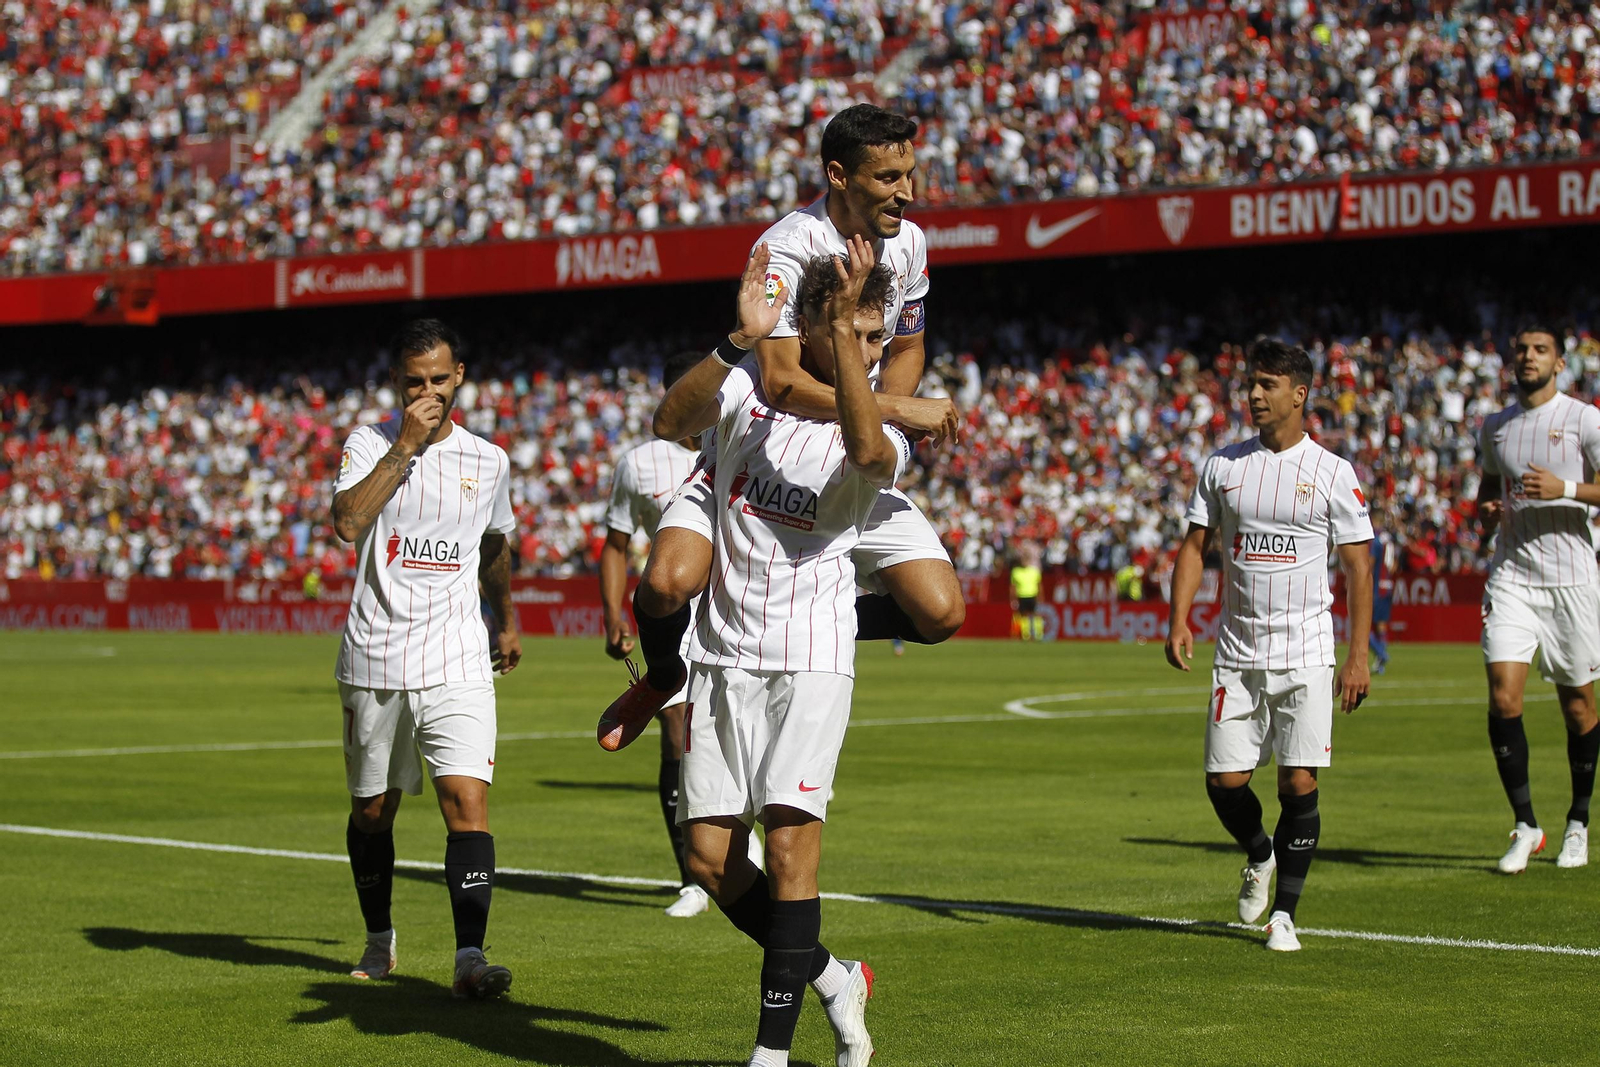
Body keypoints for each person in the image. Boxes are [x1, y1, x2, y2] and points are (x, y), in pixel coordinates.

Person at [604, 104, 964, 728]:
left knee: (940, 615)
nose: (908, 192)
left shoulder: (909, 243)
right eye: (888, 178)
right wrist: (894, 409)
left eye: (911, 173)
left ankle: (820, 621)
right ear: (839, 175)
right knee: (665, 583)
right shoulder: (786, 248)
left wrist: (880, 436)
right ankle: (666, 673)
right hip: (762, 447)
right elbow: (781, 382)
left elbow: (907, 346)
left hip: (848, 455)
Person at [646, 239, 891, 1067]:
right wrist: (737, 341)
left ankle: (771, 1055)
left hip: (812, 657)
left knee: (788, 850)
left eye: (880, 338)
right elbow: (668, 424)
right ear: (815, 328)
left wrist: (856, 359)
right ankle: (830, 975)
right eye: (860, 334)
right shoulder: (750, 387)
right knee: (709, 859)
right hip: (723, 653)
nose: (875, 351)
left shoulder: (876, 422)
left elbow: (867, 453)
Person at [329, 319, 521, 998]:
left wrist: (505, 617)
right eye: (415, 382)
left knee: (466, 804)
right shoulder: (368, 442)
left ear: (459, 376)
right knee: (373, 812)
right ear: (397, 384)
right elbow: (349, 521)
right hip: (376, 654)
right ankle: (380, 938)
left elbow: (495, 545)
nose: (428, 392)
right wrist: (404, 447)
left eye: (440, 379)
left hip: (457, 653)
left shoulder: (488, 459)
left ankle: (470, 957)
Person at [1165, 338, 1374, 953]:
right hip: (1237, 652)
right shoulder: (1223, 466)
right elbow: (1194, 546)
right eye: (1250, 384)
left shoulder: (1333, 473)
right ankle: (1261, 853)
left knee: (1297, 784)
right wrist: (1179, 617)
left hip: (1307, 650)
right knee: (1224, 782)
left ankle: (1284, 916)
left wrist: (1357, 655)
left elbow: (1360, 567)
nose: (1253, 395)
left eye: (1267, 385)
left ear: (1299, 393)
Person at [1473, 325, 1600, 873]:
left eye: (1540, 350)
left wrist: (1565, 490)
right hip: (1513, 578)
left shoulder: (1583, 419)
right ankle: (1527, 825)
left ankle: (1578, 821)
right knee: (1504, 699)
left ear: (1559, 362)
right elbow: (1486, 489)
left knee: (1578, 708)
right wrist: (1486, 513)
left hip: (1571, 580)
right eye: (1522, 349)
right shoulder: (1495, 427)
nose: (1528, 357)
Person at [598, 352, 715, 917]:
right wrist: (614, 614)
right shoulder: (639, 464)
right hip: (675, 619)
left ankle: (729, 840)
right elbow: (617, 546)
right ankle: (693, 875)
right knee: (675, 732)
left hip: (745, 613)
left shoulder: (747, 440)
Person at [1011, 543, 1043, 640]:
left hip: (1032, 595)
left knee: (1035, 615)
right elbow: (1012, 587)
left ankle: (1038, 634)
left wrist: (1040, 596)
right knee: (1023, 616)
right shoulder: (1016, 571)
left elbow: (1039, 585)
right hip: (1022, 595)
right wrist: (1013, 598)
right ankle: (1026, 635)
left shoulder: (1034, 571)